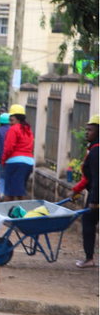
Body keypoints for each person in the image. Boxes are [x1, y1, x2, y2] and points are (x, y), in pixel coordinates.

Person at [72, 114, 99, 268]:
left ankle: (89, 259)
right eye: (86, 129)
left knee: (88, 221)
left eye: (91, 130)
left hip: (97, 194)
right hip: (95, 192)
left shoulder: (96, 152)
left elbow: (97, 179)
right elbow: (88, 177)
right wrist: (75, 190)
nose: (87, 132)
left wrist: (95, 201)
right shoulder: (93, 149)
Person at [0, 104, 34, 202]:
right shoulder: (28, 130)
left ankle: (9, 214)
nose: (10, 123)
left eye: (11, 120)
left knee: (10, 192)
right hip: (29, 162)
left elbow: (9, 148)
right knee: (19, 189)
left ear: (18, 119)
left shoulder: (13, 129)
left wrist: (3, 160)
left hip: (15, 163)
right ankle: (19, 214)